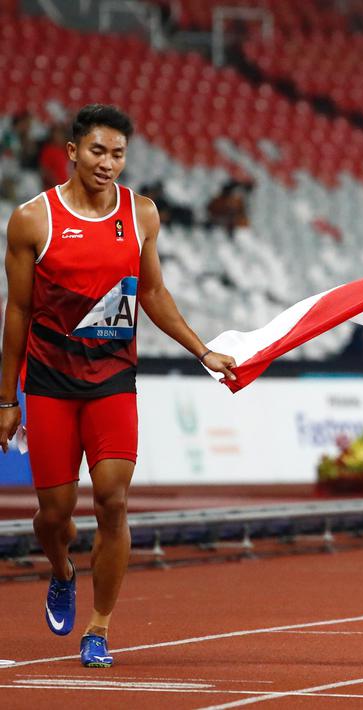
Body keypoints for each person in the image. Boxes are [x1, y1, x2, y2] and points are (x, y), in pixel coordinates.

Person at [0, 104, 237, 668]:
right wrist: (7, 399)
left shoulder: (142, 214)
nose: (109, 163)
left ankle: (99, 629)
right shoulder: (34, 220)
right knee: (54, 517)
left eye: (119, 154)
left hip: (112, 381)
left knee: (113, 500)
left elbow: (152, 294)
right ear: (74, 151)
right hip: (52, 384)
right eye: (99, 152)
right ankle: (61, 570)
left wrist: (202, 349)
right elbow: (18, 313)